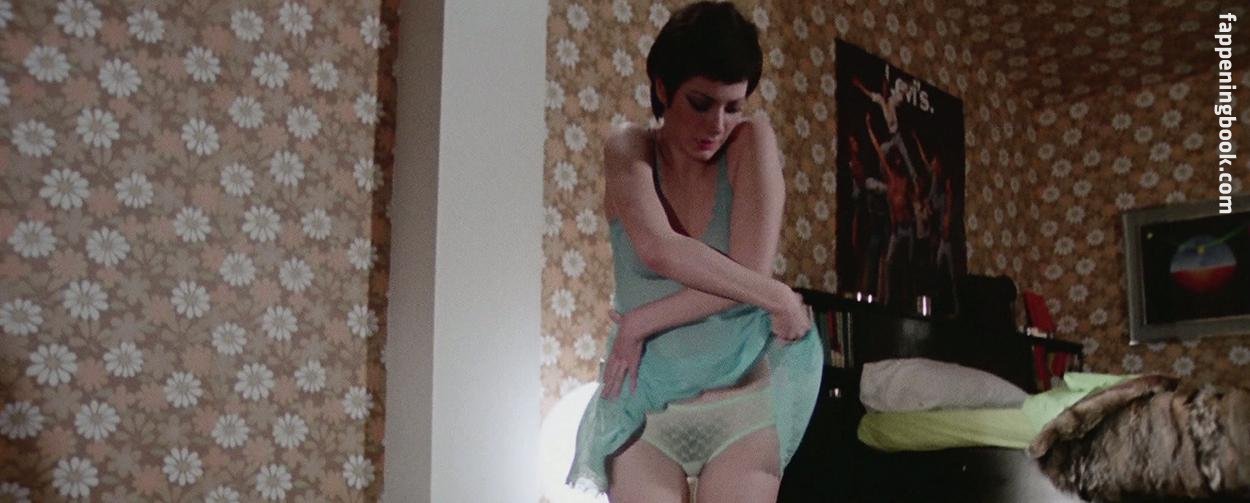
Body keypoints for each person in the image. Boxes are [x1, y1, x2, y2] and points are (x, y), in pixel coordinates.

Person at [566, 3, 823, 502]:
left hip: (742, 405)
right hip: (644, 409)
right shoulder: (628, 147)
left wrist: (640, 322)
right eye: (700, 103)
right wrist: (778, 296)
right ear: (663, 88)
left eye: (733, 106)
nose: (717, 124)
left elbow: (748, 274)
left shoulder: (752, 141)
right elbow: (660, 250)